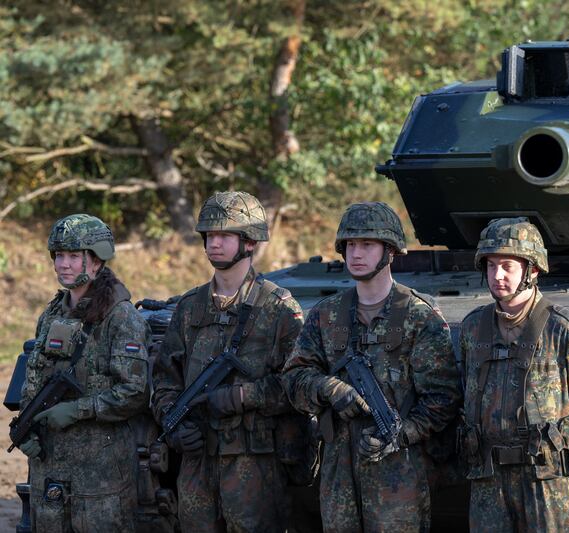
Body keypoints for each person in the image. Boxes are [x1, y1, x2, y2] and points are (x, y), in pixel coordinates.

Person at [282, 201, 462, 533]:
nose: (356, 253)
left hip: (399, 468)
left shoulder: (417, 316)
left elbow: (443, 398)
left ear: (390, 251)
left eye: (367, 244)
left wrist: (400, 435)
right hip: (338, 465)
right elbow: (294, 378)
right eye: (350, 245)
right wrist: (329, 388)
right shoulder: (327, 314)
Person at [151, 191, 305, 533]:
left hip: (254, 462)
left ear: (249, 243)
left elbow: (299, 385)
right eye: (209, 236)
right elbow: (164, 381)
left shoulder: (278, 308)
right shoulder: (190, 307)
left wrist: (242, 397)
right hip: (196, 460)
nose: (213, 243)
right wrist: (173, 425)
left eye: (224, 235)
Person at [459, 217, 569, 532]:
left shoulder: (563, 329)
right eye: (490, 266)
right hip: (490, 481)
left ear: (532, 271)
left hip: (549, 482)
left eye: (507, 266)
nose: (497, 275)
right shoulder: (473, 328)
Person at [18, 214, 149, 532]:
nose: (63, 264)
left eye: (74, 256)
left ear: (96, 259)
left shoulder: (121, 317)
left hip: (100, 478)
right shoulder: (51, 315)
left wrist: (78, 410)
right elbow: (34, 377)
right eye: (59, 256)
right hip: (50, 468)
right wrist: (27, 427)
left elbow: (135, 392)